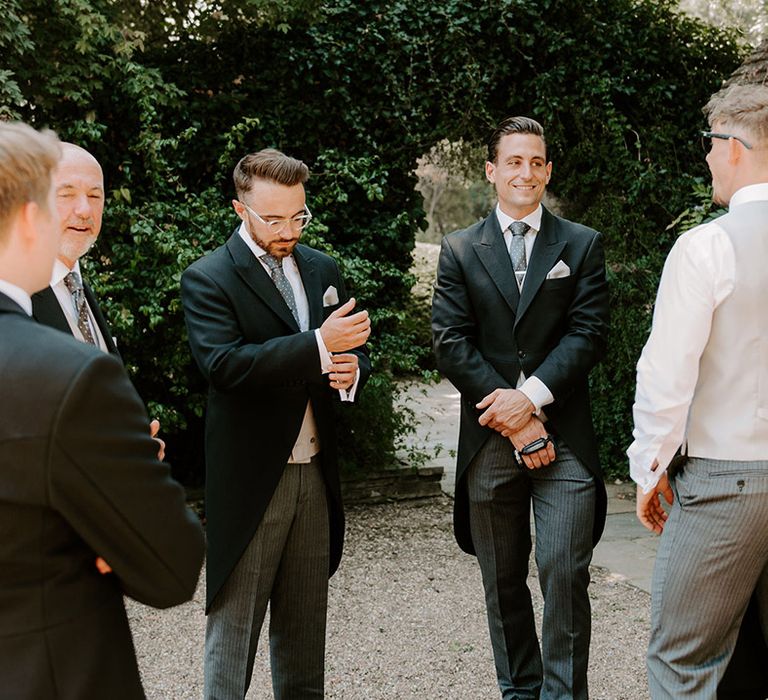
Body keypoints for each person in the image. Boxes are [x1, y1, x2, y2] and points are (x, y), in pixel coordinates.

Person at [0, 122, 205, 699]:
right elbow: (172, 565)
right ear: (30, 216)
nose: (81, 211)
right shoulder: (65, 372)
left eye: (94, 195)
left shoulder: (81, 299)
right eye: (60, 197)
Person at [181, 148, 371, 699]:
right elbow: (223, 365)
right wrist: (317, 345)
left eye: (299, 216)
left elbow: (353, 348)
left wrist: (350, 369)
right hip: (252, 479)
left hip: (316, 476)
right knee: (234, 635)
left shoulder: (321, 268)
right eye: (274, 219)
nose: (289, 230)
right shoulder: (209, 277)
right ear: (240, 210)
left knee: (305, 634)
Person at [432, 116, 609, 699]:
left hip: (565, 441)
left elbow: (588, 335)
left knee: (564, 574)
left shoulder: (580, 244)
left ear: (548, 169)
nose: (525, 172)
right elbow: (450, 342)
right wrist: (511, 417)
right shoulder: (459, 249)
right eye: (514, 161)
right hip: (489, 441)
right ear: (492, 171)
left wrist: (528, 401)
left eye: (536, 161)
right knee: (503, 580)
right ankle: (521, 692)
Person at [628, 83, 768, 698]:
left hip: (726, 484)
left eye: (710, 145)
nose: (707, 159)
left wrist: (650, 469)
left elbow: (667, 375)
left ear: (734, 146)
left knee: (683, 662)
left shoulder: (707, 245)